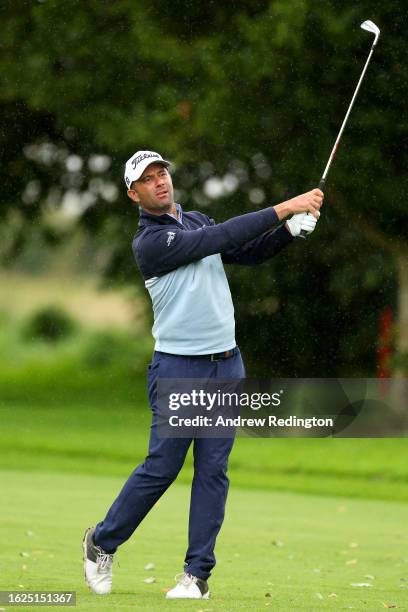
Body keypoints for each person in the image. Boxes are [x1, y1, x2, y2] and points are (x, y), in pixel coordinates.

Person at [83, 150, 323, 600]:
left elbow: (245, 250)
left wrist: (289, 232)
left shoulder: (196, 221)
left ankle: (197, 574)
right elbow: (223, 235)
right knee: (163, 468)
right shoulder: (150, 243)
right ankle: (102, 541)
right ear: (133, 194)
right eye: (148, 179)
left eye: (163, 174)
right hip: (178, 367)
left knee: (213, 471)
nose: (160, 182)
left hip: (226, 364)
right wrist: (284, 208)